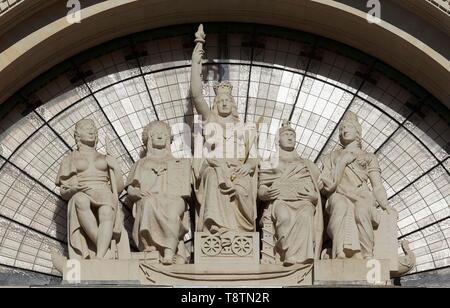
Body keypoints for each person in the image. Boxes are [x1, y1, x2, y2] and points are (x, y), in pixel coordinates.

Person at [190, 25, 258, 234]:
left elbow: (253, 158)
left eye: (228, 100)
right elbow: (196, 95)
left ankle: (239, 230)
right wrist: (196, 61)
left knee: (243, 184)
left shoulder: (244, 128)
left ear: (233, 103)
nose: (224, 103)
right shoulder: (210, 120)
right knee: (212, 175)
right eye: (220, 100)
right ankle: (217, 228)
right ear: (215, 104)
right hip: (215, 166)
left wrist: (247, 168)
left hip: (239, 170)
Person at [320, 112, 396, 259]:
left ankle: (366, 254)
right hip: (339, 194)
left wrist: (385, 205)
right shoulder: (331, 157)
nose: (344, 130)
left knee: (362, 211)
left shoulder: (369, 157)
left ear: (358, 132)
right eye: (342, 129)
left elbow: (377, 186)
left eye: (348, 127)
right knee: (340, 206)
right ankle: (339, 252)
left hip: (362, 195)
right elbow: (325, 182)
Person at [55, 119, 130, 260]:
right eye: (86, 128)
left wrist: (116, 167)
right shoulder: (70, 159)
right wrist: (74, 189)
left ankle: (100, 255)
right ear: (77, 135)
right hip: (82, 191)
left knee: (107, 210)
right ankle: (105, 248)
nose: (91, 131)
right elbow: (64, 191)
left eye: (93, 128)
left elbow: (118, 189)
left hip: (104, 192)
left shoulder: (105, 158)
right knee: (80, 200)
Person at [126, 121, 191, 265]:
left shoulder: (179, 163)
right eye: (156, 133)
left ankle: (169, 251)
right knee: (148, 203)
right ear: (149, 138)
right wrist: (138, 193)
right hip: (150, 198)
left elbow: (187, 190)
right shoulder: (141, 163)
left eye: (163, 133)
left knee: (173, 213)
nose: (160, 136)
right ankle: (151, 247)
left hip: (174, 199)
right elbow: (130, 188)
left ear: (169, 138)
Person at [258, 121, 323, 265]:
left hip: (303, 201)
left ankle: (303, 257)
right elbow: (261, 188)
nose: (290, 138)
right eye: (286, 135)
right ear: (278, 140)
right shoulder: (270, 162)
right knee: (284, 217)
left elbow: (319, 187)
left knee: (306, 215)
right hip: (280, 200)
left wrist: (313, 197)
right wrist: (266, 194)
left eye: (292, 135)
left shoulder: (306, 163)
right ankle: (287, 254)